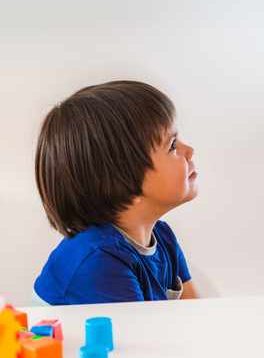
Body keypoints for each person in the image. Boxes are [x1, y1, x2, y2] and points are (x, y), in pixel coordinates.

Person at [31, 80, 202, 305]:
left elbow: (199, 313)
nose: (189, 151)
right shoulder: (99, 261)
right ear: (126, 186)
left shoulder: (163, 237)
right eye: (172, 145)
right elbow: (139, 338)